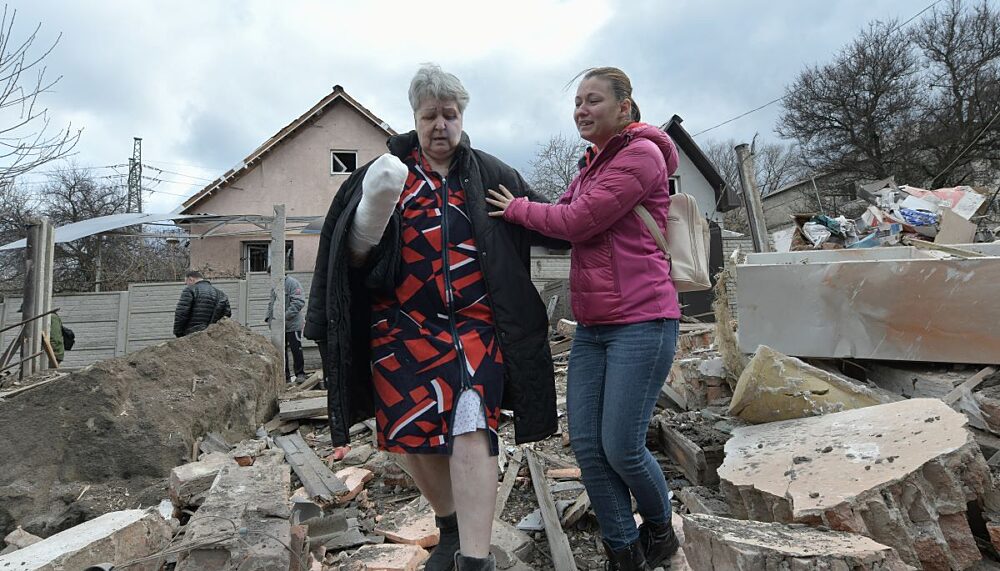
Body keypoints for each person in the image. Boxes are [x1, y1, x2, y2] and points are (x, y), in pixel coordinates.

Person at [305, 64, 564, 571]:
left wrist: (609, 217)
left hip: (474, 327)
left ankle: (474, 559)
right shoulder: (382, 176)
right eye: (430, 115)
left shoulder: (492, 174)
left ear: (462, 116)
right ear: (415, 119)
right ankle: (448, 525)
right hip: (400, 328)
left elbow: (549, 221)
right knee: (409, 433)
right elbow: (346, 255)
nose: (440, 124)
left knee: (472, 428)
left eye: (450, 114)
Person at [486, 67, 681, 570]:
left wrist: (517, 208)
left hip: (643, 321)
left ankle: (661, 529)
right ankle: (623, 551)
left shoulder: (640, 156)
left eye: (593, 100)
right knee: (590, 449)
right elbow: (562, 219)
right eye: (577, 101)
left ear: (624, 106)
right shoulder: (590, 166)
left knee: (622, 447)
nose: (581, 109)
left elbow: (574, 222)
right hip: (594, 328)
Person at [265, 267, 307, 382]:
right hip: (279, 327)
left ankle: (300, 374)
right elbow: (271, 304)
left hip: (293, 325)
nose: (270, 278)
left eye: (271, 275)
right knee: (280, 352)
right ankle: (285, 377)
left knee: (296, 349)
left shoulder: (292, 283)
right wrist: (269, 319)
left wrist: (283, 317)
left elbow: (298, 302)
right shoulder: (275, 287)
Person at [173, 270, 231, 337]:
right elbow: (226, 315)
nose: (187, 285)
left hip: (192, 335)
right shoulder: (221, 294)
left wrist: (178, 332)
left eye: (186, 283)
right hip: (213, 336)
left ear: (191, 279)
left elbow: (181, 313)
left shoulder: (190, 290)